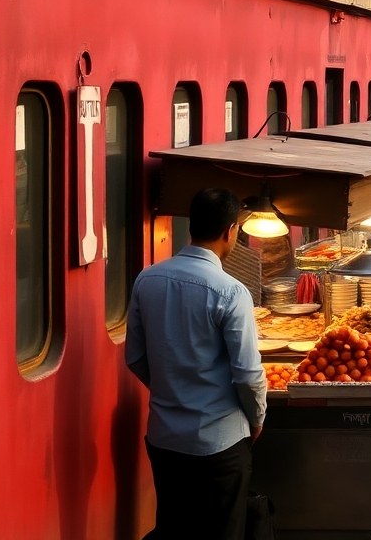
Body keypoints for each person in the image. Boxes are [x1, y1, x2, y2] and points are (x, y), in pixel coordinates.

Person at [125, 188, 267, 540]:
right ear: (230, 231)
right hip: (218, 444)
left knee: (175, 529)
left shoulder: (148, 278)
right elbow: (248, 374)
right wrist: (258, 417)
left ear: (192, 224)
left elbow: (136, 357)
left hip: (165, 438)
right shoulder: (231, 291)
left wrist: (171, 389)